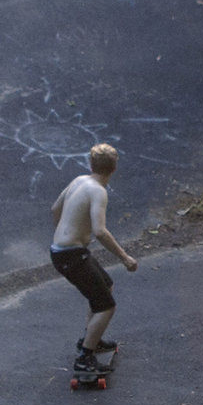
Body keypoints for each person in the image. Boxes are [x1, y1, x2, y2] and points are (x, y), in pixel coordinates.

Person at [48, 143, 137, 368]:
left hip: (66, 251)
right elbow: (100, 231)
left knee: (105, 287)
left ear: (90, 164)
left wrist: (63, 233)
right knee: (106, 306)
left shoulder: (79, 180)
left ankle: (92, 340)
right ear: (114, 169)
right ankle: (85, 357)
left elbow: (55, 209)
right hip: (71, 255)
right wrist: (124, 257)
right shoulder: (99, 191)